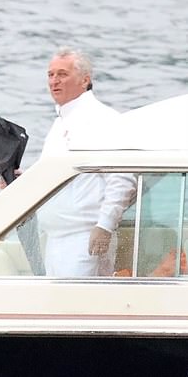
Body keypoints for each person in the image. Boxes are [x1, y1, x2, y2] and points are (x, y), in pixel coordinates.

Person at [33, 47, 136, 276]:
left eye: (62, 74)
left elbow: (122, 177)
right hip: (54, 239)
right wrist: (19, 181)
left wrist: (105, 227)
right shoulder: (61, 122)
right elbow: (53, 175)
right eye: (50, 75)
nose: (54, 81)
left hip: (84, 239)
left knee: (76, 308)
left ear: (84, 80)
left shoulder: (102, 119)